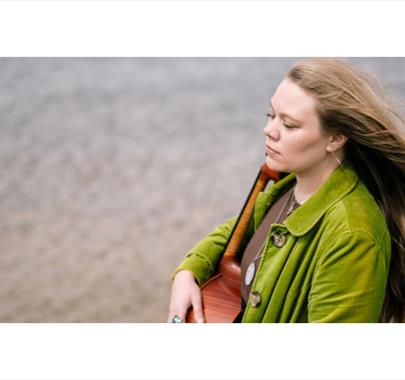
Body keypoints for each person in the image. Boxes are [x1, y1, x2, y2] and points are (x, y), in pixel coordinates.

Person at [167, 58, 405, 323]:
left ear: (336, 138)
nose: (269, 130)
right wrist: (188, 272)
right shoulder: (289, 187)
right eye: (271, 116)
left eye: (289, 125)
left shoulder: (353, 235)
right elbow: (236, 231)